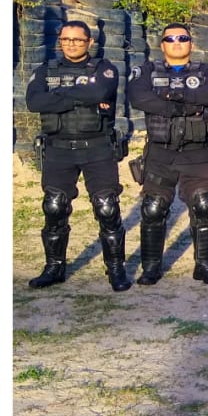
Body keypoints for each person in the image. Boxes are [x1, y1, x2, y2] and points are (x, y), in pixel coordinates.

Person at [25, 20, 131, 291]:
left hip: (97, 148)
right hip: (59, 149)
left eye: (78, 40)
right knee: (54, 207)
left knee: (107, 208)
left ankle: (116, 269)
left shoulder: (104, 69)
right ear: (59, 41)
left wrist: (57, 95)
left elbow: (98, 91)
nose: (71, 44)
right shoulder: (45, 70)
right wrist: (78, 96)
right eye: (66, 39)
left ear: (89, 43)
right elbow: (35, 102)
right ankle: (54, 268)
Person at [125, 22, 208, 285]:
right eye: (170, 39)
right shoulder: (146, 71)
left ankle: (204, 267)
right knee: (153, 209)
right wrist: (185, 105)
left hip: (197, 152)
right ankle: (151, 268)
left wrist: (169, 97)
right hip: (161, 153)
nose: (177, 42)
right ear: (162, 45)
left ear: (191, 44)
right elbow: (138, 98)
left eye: (183, 38)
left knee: (204, 206)